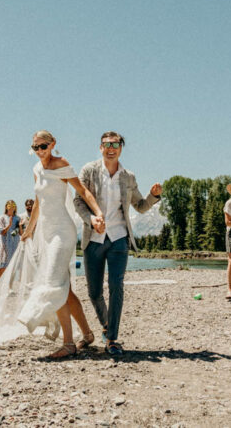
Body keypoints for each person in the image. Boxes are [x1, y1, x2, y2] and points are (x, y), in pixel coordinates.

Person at [0, 130, 101, 359]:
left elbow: (83, 191)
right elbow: (38, 201)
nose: (40, 151)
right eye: (36, 147)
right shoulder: (37, 169)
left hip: (63, 232)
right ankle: (87, 334)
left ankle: (68, 343)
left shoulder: (62, 164)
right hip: (45, 233)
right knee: (64, 288)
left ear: (53, 144)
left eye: (43, 146)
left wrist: (97, 214)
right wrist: (28, 231)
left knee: (53, 282)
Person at [73, 131, 162, 355]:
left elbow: (140, 206)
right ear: (100, 147)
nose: (111, 148)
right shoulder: (89, 171)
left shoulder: (128, 176)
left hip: (119, 239)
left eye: (115, 144)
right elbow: (78, 200)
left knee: (116, 286)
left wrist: (153, 196)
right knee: (94, 292)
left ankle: (112, 338)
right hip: (93, 238)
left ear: (121, 148)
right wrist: (91, 219)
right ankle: (105, 325)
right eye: (106, 144)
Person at [0, 200, 21, 282]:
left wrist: (20, 226)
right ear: (6, 207)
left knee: (12, 267)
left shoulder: (18, 218)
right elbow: (1, 231)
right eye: (9, 206)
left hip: (14, 245)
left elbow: (18, 233)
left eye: (13, 206)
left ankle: (8, 287)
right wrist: (9, 225)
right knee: (2, 267)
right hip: (5, 245)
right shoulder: (2, 217)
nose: (11, 208)